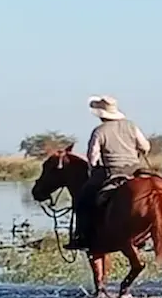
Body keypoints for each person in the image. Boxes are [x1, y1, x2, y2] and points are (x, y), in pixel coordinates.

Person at [65, 96, 151, 251]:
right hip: (135, 169)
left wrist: (93, 168)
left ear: (101, 115)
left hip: (112, 171)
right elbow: (145, 146)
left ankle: (82, 237)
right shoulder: (131, 126)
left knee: (83, 200)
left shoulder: (99, 131)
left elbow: (93, 156)